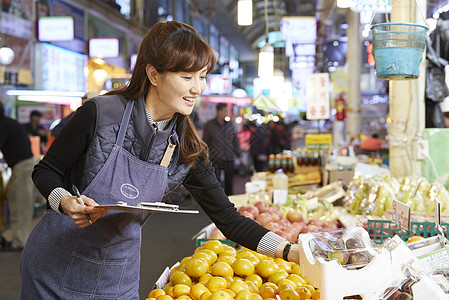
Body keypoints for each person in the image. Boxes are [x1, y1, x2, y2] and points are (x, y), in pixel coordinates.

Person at [21, 21, 299, 299]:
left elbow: (228, 219)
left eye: (202, 76)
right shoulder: (99, 114)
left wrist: (289, 250)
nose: (198, 88)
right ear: (154, 74)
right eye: (187, 77)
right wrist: (64, 200)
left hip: (117, 277)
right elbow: (46, 171)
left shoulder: (186, 148)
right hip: (52, 273)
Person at [0, 102, 37, 251]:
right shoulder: (9, 123)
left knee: (21, 205)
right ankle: (17, 238)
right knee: (15, 200)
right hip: (23, 166)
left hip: (23, 167)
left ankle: (20, 241)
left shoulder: (3, 125)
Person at [202, 103, 242, 195]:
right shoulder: (210, 125)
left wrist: (239, 154)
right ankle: (218, 203)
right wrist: (205, 156)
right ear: (219, 111)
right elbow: (205, 142)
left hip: (229, 157)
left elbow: (235, 140)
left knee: (229, 183)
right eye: (225, 111)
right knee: (216, 183)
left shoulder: (230, 125)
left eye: (227, 111)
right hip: (215, 158)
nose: (226, 113)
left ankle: (229, 201)